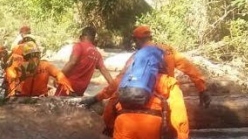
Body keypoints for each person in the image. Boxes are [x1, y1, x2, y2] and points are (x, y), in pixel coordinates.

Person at [82, 25, 211, 107]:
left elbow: (119, 81)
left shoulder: (137, 57)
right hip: (166, 98)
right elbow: (191, 69)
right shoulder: (169, 51)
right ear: (150, 37)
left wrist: (96, 98)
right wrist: (202, 90)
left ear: (137, 40)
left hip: (143, 100)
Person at [102, 72, 190, 139]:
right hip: (153, 123)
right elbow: (178, 108)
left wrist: (110, 125)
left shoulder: (128, 78)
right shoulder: (168, 81)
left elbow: (111, 104)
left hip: (124, 122)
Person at [56, 26, 114, 97]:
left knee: (56, 102)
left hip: (68, 85)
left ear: (81, 37)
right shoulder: (97, 53)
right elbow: (104, 70)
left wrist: (59, 76)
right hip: (81, 89)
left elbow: (72, 62)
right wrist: (114, 87)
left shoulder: (79, 46)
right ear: (93, 39)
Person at [6, 42, 74, 97]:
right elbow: (11, 79)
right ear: (25, 57)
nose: (34, 58)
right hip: (22, 97)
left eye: (36, 55)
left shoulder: (45, 66)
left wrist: (67, 86)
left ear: (39, 56)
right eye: (30, 56)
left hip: (41, 97)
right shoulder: (18, 66)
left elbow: (58, 74)